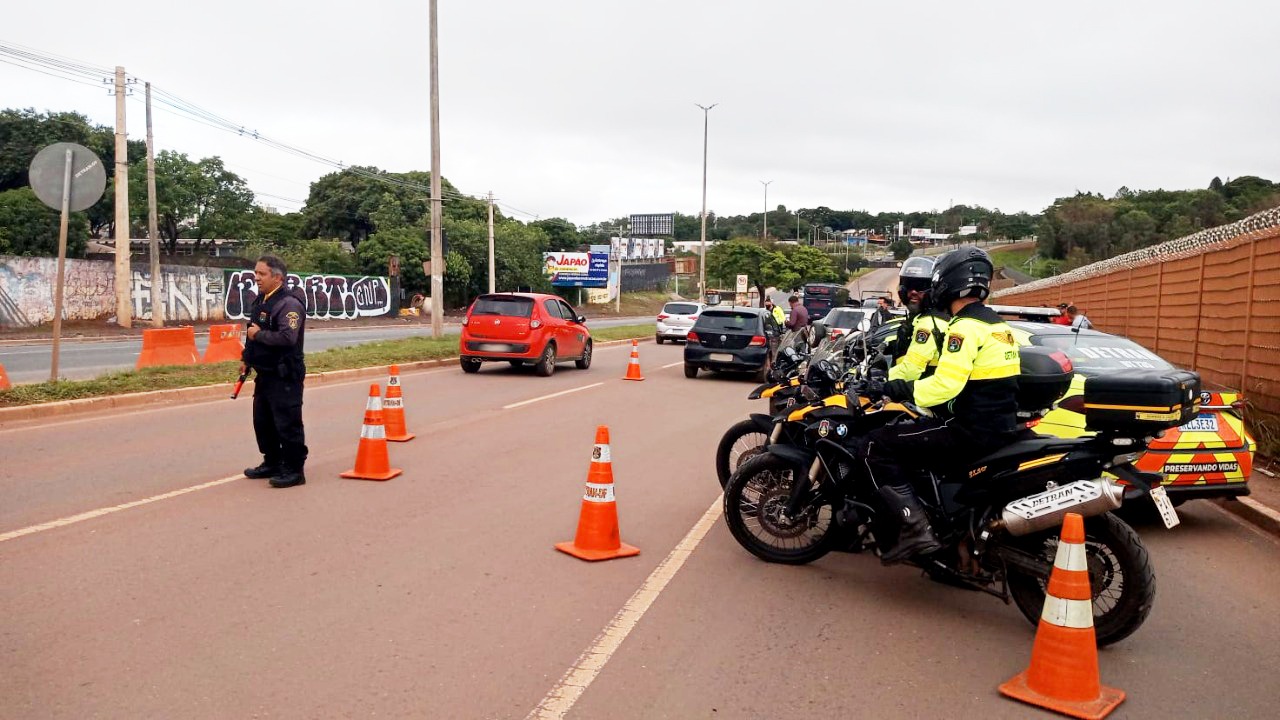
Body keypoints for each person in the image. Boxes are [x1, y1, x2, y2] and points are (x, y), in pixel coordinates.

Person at [857, 248, 1021, 564]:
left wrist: (895, 389)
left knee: (875, 446)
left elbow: (945, 386)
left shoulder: (964, 327)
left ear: (947, 283)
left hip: (969, 430)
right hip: (1000, 425)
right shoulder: (999, 326)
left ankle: (915, 529)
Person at [241, 255, 309, 489]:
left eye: (262, 274)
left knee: (287, 422)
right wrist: (246, 359)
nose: (256, 277)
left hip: (285, 375)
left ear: (277, 277)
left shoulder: (289, 304)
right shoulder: (261, 300)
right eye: (256, 272)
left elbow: (287, 338)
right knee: (263, 421)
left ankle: (294, 469)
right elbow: (251, 330)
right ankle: (272, 461)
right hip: (265, 373)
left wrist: (258, 335)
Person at [887, 256, 947, 382]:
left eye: (920, 286)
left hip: (922, 394)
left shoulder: (930, 323)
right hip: (912, 390)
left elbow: (910, 371)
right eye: (909, 285)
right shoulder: (918, 319)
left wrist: (881, 378)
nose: (913, 292)